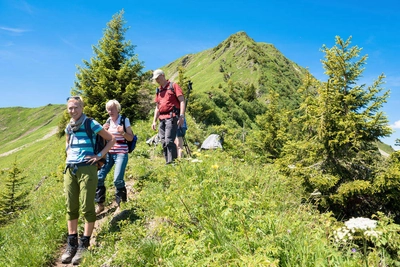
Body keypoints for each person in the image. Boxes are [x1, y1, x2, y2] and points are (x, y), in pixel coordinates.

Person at [62, 96, 116, 265]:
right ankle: (72, 244)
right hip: (70, 169)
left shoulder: (90, 123)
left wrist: (99, 156)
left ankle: (84, 244)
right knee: (71, 206)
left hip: (87, 168)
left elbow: (111, 139)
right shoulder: (68, 127)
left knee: (87, 206)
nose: (73, 110)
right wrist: (69, 157)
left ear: (82, 107)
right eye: (70, 108)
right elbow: (67, 145)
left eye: (76, 107)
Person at [95, 99, 134, 214]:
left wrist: (122, 132)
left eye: (112, 108)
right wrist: (103, 131)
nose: (110, 111)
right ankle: (100, 204)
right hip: (109, 153)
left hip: (121, 153)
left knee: (117, 179)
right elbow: (104, 139)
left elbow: (130, 138)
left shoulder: (124, 120)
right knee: (99, 177)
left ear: (117, 108)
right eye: (108, 109)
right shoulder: (108, 121)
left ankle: (121, 205)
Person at [151, 69, 186, 164]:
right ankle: (168, 162)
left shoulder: (173, 86)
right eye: (156, 79)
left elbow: (182, 101)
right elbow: (157, 107)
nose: (157, 80)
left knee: (169, 140)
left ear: (163, 75)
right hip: (161, 119)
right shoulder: (158, 90)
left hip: (172, 117)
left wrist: (181, 115)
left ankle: (172, 163)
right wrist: (154, 121)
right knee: (163, 142)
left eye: (158, 78)